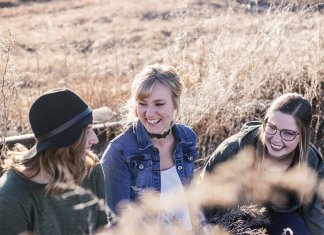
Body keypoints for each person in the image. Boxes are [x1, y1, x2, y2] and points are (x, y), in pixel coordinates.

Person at [199, 93, 324, 234]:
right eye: (271, 127)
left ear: (303, 135)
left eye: (288, 133)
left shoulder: (310, 161)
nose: (276, 139)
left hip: (282, 218)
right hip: (235, 217)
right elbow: (203, 196)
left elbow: (313, 215)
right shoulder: (234, 149)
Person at [101, 64, 198, 229]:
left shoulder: (187, 138)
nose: (149, 113)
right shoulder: (119, 152)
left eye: (159, 104)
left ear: (175, 103)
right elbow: (118, 225)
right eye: (142, 103)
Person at [0, 88, 108, 234]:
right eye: (87, 131)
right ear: (65, 140)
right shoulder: (12, 196)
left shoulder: (90, 167)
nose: (95, 139)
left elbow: (102, 229)